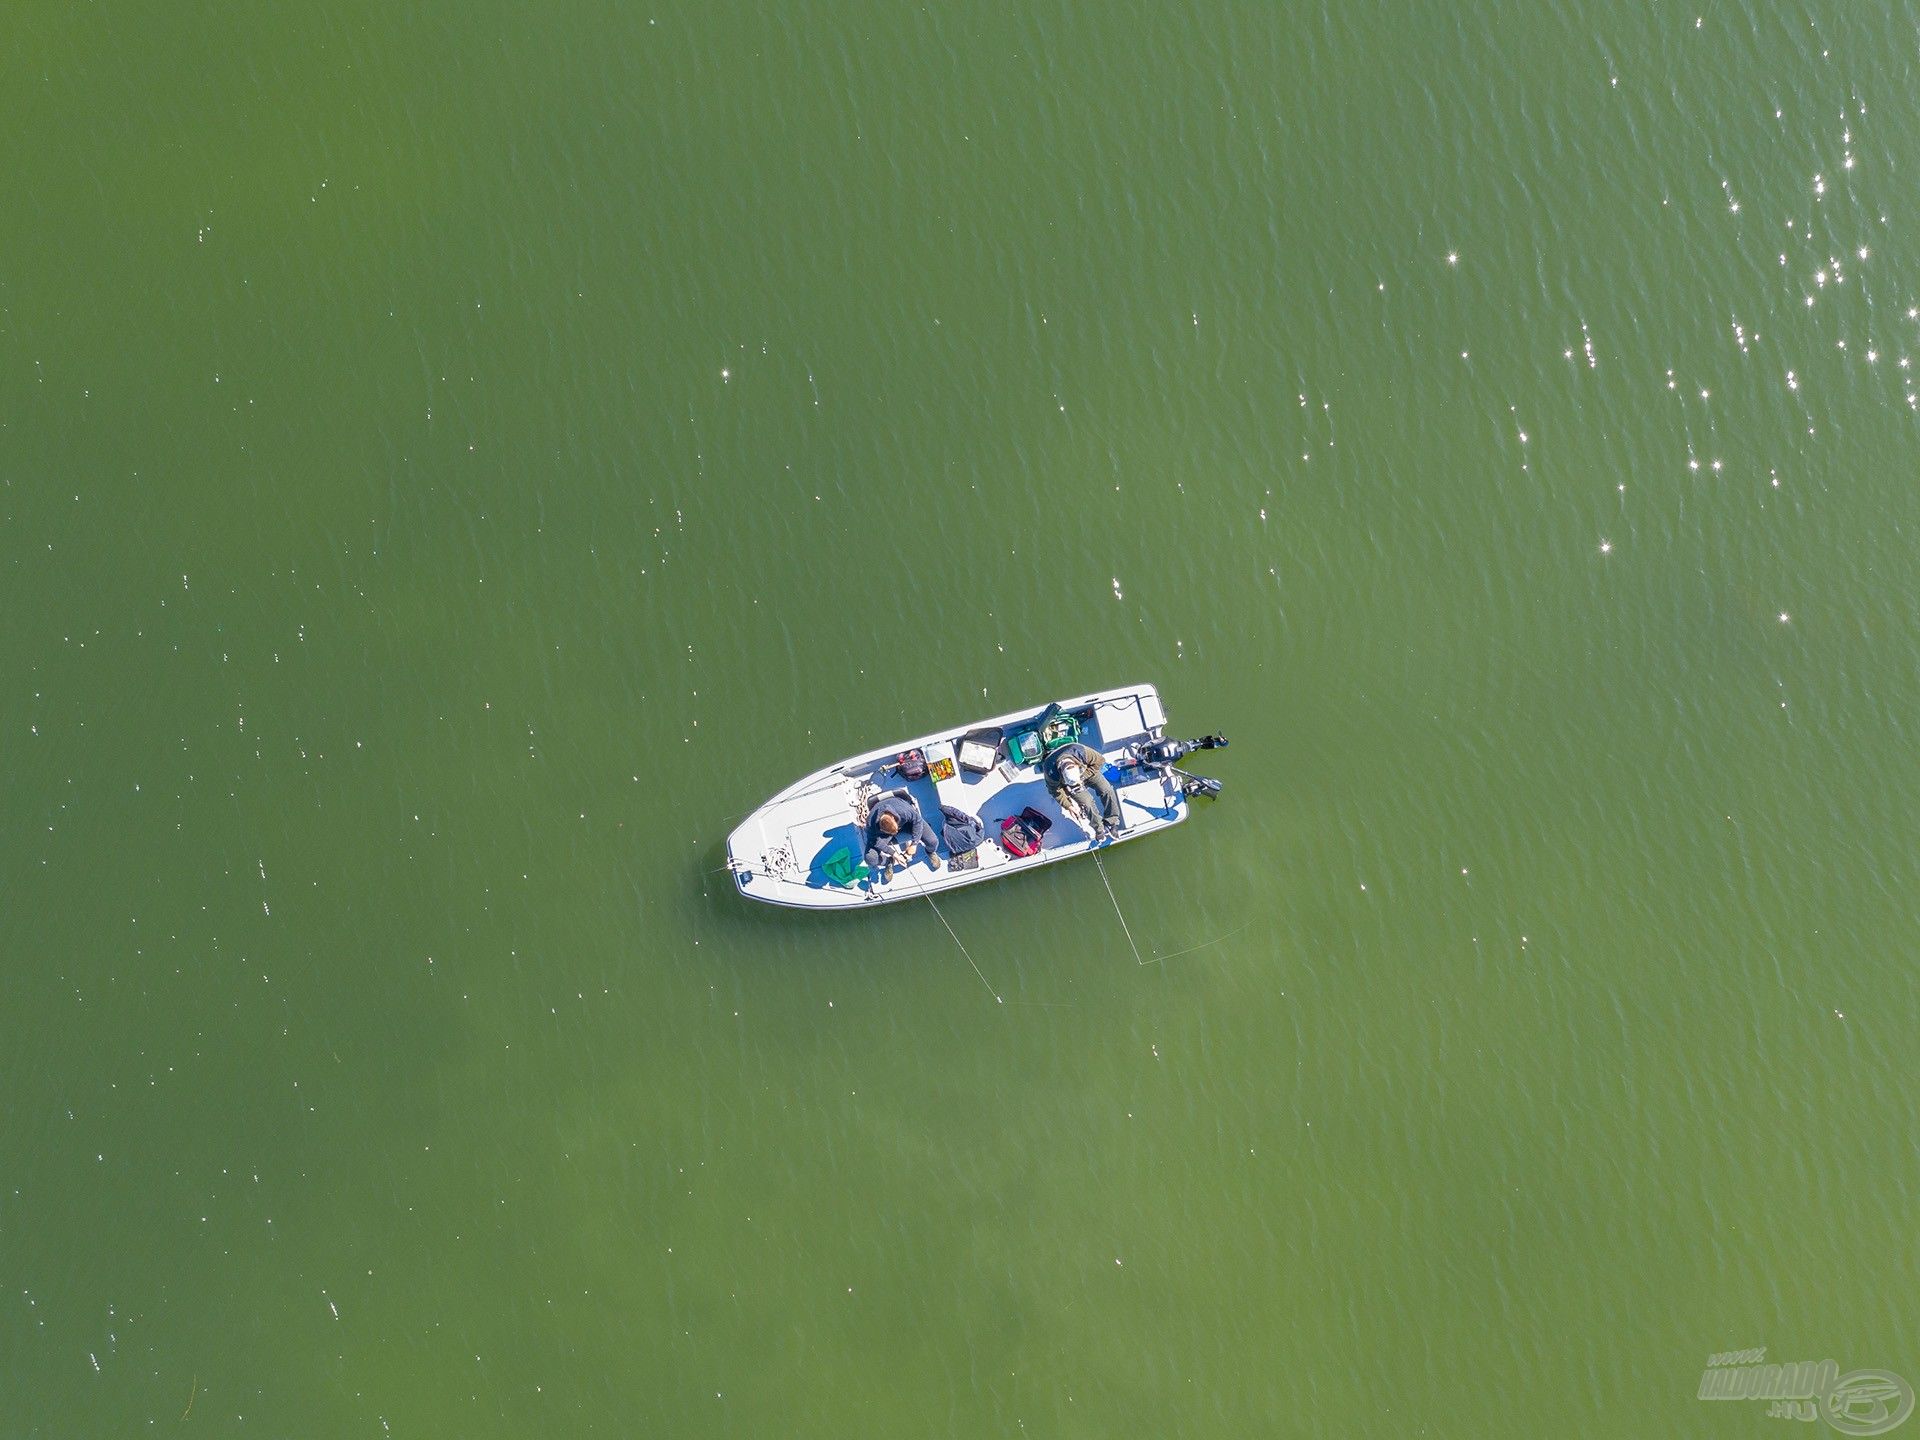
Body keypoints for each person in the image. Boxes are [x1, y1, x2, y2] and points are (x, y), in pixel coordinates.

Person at [1045, 741, 1122, 841]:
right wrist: (1069, 806)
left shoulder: (1081, 752)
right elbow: (1055, 791)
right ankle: (1099, 829)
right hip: (1070, 784)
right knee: (1087, 803)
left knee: (1107, 790)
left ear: (1076, 765)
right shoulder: (1051, 772)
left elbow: (1100, 761)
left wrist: (1083, 776)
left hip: (1087, 772)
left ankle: (1112, 821)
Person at [865, 791, 941, 880]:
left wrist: (914, 844)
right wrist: (894, 854)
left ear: (893, 817)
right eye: (894, 832)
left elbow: (918, 821)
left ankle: (930, 851)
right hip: (885, 835)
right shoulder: (870, 824)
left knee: (933, 841)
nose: (896, 832)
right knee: (870, 858)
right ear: (881, 829)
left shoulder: (904, 810)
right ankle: (889, 861)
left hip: (906, 824)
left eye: (896, 830)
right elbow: (874, 841)